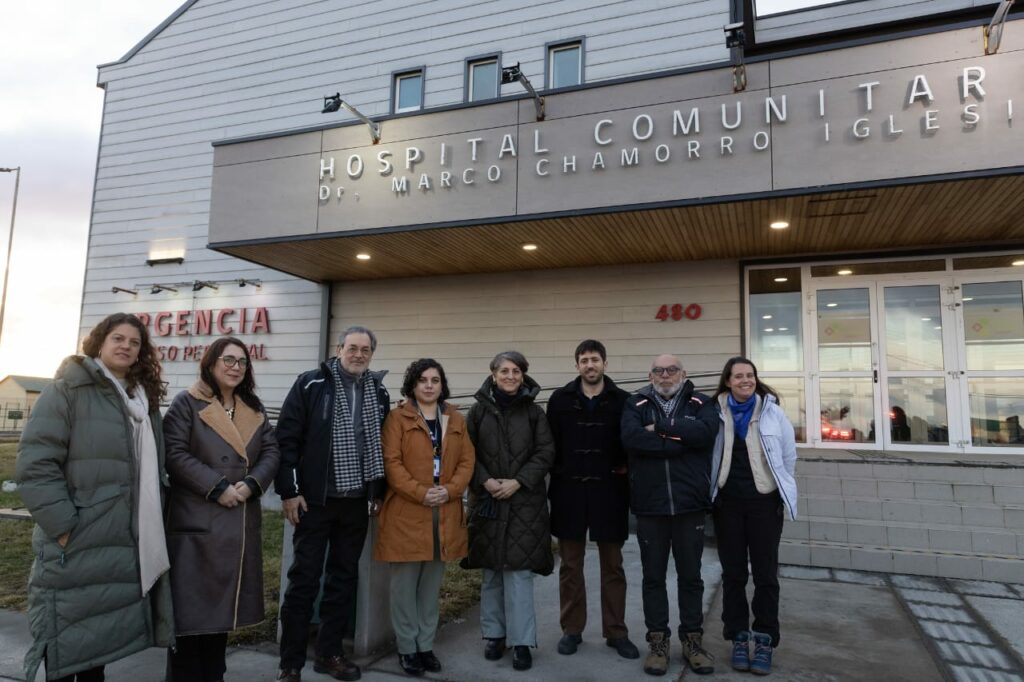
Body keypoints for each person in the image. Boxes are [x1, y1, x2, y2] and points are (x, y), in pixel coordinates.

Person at [16, 312, 174, 681]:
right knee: (63, 638)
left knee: (99, 642)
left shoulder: (143, 401)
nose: (126, 346)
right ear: (99, 342)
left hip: (120, 540)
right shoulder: (66, 390)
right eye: (118, 338)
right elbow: (36, 465)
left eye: (134, 342)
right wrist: (63, 526)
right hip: (76, 539)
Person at [274, 326, 391, 682]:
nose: (358, 354)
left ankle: (330, 654)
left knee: (343, 580)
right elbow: (287, 439)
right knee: (304, 580)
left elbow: (382, 445)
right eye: (352, 347)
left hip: (355, 502)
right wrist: (289, 491)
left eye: (365, 350)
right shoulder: (311, 384)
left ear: (371, 354)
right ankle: (290, 663)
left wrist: (377, 493)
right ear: (339, 349)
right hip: (314, 501)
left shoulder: (379, 392)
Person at [162, 337, 281, 682]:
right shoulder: (187, 403)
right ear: (211, 363)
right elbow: (174, 453)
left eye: (242, 362)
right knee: (190, 617)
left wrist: (252, 483)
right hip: (196, 522)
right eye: (228, 360)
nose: (235, 367)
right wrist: (217, 487)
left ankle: (214, 675)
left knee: (220, 617)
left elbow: (272, 451)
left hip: (237, 522)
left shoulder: (253, 408)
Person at [374, 359, 475, 676]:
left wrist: (451, 490)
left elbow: (467, 461)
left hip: (444, 511)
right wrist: (421, 492)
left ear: (442, 385)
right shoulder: (397, 419)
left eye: (435, 380)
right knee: (404, 588)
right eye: (423, 380)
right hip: (407, 512)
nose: (429, 385)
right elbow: (391, 463)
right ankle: (407, 648)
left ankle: (425, 646)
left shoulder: (455, 418)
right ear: (412, 385)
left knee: (430, 588)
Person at [620, 354, 719, 678]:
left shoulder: (700, 402)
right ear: (650, 375)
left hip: (689, 506)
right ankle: (658, 643)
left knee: (691, 577)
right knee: (653, 578)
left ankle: (692, 642)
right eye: (659, 370)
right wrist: (678, 443)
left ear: (683, 373)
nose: (665, 375)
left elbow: (705, 434)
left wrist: (660, 428)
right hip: (651, 506)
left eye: (671, 369)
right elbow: (632, 439)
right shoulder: (635, 403)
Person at [464, 350, 555, 672]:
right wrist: (485, 481)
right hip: (487, 501)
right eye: (504, 371)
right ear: (493, 374)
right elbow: (465, 453)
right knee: (491, 572)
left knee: (519, 575)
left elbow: (545, 452)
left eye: (516, 371)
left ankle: (522, 641)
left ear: (523, 375)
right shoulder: (477, 412)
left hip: (524, 504)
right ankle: (494, 635)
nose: (510, 376)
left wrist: (518, 482)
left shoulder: (534, 413)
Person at [546, 340, 637, 659]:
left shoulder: (624, 400)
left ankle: (616, 631)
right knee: (570, 565)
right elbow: (549, 444)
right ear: (577, 366)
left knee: (613, 565)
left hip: (610, 492)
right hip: (569, 492)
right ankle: (571, 629)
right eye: (584, 360)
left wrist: (624, 467)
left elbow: (631, 442)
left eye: (595, 359)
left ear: (605, 364)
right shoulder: (560, 400)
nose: (590, 365)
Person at [710, 357, 798, 676]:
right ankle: (738, 636)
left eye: (750, 375)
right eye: (739, 376)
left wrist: (781, 490)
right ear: (728, 381)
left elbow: (788, 456)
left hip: (764, 504)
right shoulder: (715, 412)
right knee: (733, 575)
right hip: (727, 505)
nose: (745, 380)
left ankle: (764, 639)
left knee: (765, 575)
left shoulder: (773, 413)